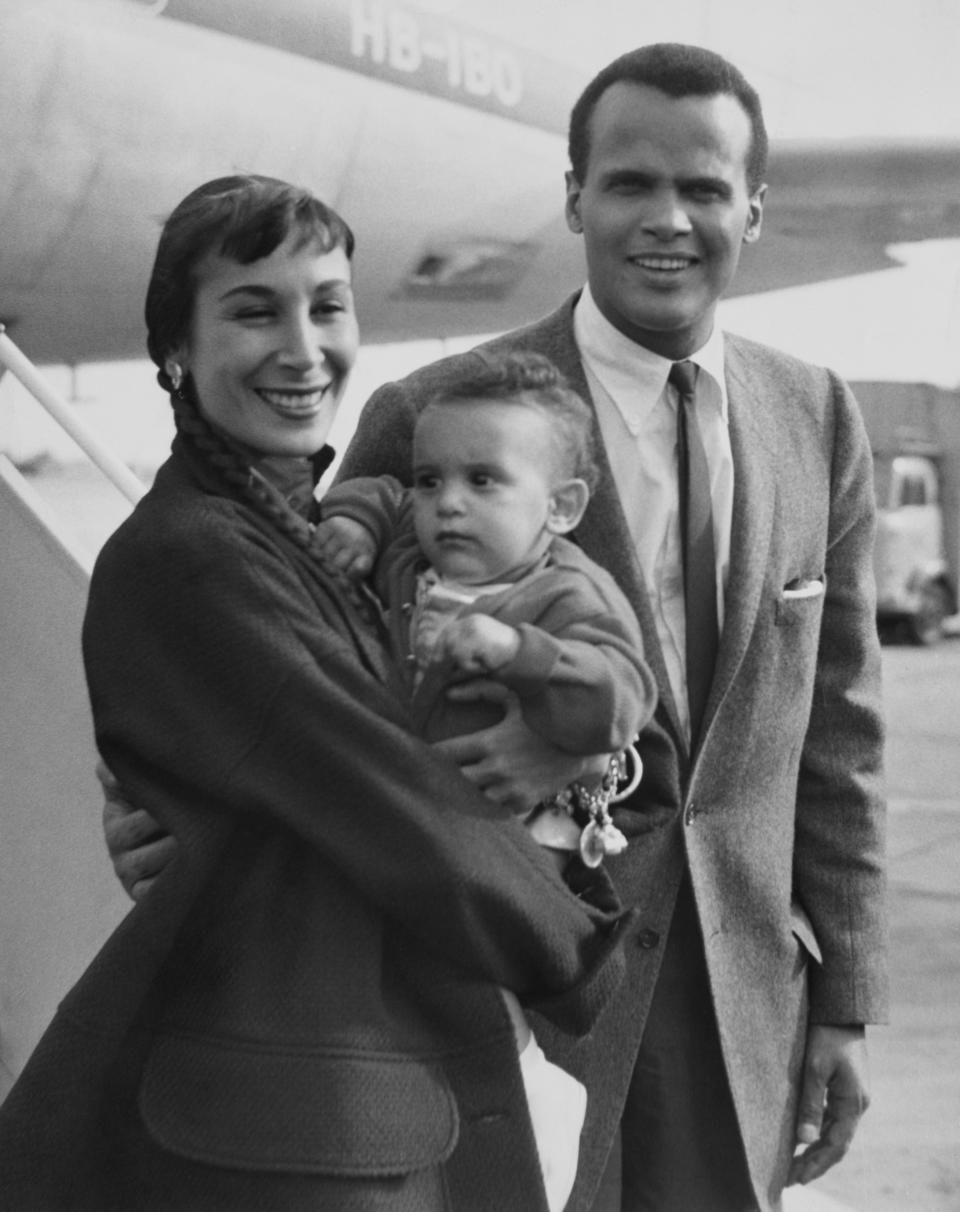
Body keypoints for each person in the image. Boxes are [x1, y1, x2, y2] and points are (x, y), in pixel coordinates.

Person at [101, 42, 890, 1212]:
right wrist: (154, 800)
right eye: (628, 183)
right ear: (575, 196)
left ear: (754, 211)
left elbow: (840, 728)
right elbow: (294, 643)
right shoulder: (435, 415)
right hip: (504, 986)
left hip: (741, 1010)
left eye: (705, 190)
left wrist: (846, 1002)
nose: (666, 219)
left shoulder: (816, 415)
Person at [0, 175, 634, 1212]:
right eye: (255, 310)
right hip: (306, 1122)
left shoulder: (309, 534)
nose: (304, 348)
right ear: (174, 350)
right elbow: (393, 800)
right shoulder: (197, 555)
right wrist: (576, 946)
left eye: (327, 305)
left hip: (368, 1084)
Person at [316, 347, 658, 1208]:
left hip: (505, 861)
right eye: (433, 480)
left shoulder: (566, 594)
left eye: (482, 481)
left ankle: (526, 1147)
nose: (447, 505)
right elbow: (377, 492)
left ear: (564, 507)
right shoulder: (411, 547)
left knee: (483, 1035)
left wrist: (522, 654)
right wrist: (353, 525)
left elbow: (620, 697)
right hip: (397, 843)